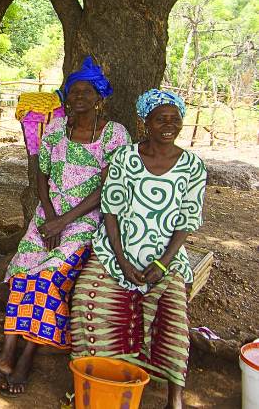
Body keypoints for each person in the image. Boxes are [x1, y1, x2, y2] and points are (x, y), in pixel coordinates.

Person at [0, 56, 130, 396]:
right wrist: (49, 216)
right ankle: (7, 356)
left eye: (87, 91)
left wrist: (64, 221)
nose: (79, 96)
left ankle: (25, 358)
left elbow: (108, 187)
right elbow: (41, 175)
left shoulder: (115, 135)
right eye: (74, 91)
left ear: (99, 97)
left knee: (46, 278)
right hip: (47, 216)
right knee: (22, 273)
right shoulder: (56, 129)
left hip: (85, 222)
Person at [71, 89, 205, 409]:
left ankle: (174, 396)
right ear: (146, 122)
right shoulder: (125, 157)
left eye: (175, 119)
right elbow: (110, 210)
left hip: (166, 257)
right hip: (116, 251)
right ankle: (93, 378)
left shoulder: (193, 166)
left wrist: (162, 264)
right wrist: (121, 259)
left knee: (173, 315)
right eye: (161, 119)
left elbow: (187, 221)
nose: (169, 125)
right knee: (86, 300)